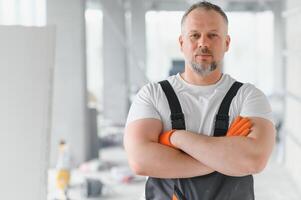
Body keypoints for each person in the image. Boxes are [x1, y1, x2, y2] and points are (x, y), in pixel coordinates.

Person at [124, 1, 276, 200]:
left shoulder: (248, 96)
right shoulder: (153, 95)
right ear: (181, 43)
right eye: (194, 35)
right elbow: (140, 161)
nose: (203, 43)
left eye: (213, 35)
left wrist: (175, 138)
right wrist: (226, 158)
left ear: (226, 43)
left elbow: (253, 160)